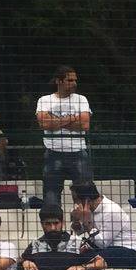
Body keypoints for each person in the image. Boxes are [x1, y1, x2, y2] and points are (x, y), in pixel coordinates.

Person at [35, 66, 91, 206]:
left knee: (85, 195)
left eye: (75, 80)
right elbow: (43, 124)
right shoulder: (44, 100)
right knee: (51, 195)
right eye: (69, 80)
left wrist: (54, 120)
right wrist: (72, 118)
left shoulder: (81, 99)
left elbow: (85, 124)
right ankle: (54, 225)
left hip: (77, 151)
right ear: (58, 81)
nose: (74, 83)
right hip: (53, 151)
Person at [15, 204, 102, 270]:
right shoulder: (35, 244)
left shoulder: (77, 243)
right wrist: (25, 262)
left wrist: (82, 267)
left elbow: (101, 262)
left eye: (56, 223)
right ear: (42, 225)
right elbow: (20, 260)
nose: (53, 228)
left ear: (62, 223)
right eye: (48, 224)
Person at [70, 181, 136, 268]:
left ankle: (86, 267)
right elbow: (78, 231)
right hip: (105, 250)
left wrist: (87, 222)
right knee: (76, 254)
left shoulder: (112, 210)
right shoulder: (89, 211)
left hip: (127, 252)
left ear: (87, 200)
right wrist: (76, 220)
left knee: (93, 256)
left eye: (76, 200)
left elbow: (102, 243)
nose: (75, 204)